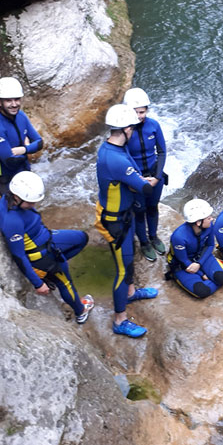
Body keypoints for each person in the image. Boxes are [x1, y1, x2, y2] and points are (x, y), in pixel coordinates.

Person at [94, 104, 158, 338]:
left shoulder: (112, 149)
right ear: (127, 129)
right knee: (123, 268)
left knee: (128, 263)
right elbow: (144, 188)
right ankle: (120, 320)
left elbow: (131, 179)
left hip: (122, 214)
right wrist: (152, 180)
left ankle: (130, 292)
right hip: (115, 221)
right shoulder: (116, 159)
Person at [0, 171, 94, 324]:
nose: (33, 205)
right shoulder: (12, 222)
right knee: (65, 281)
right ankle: (80, 311)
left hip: (45, 237)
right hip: (41, 256)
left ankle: (50, 273)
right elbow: (19, 255)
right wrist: (38, 283)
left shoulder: (9, 198)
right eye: (30, 202)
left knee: (81, 238)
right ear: (17, 197)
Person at [166, 199, 223, 298]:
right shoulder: (179, 237)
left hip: (201, 257)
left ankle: (221, 276)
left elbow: (210, 245)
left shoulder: (209, 226)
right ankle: (177, 277)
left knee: (221, 277)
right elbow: (183, 260)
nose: (212, 219)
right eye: (208, 218)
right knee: (202, 291)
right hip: (182, 265)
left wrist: (199, 263)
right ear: (198, 222)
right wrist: (202, 274)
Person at [124, 88, 167, 262]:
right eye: (136, 112)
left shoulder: (153, 125)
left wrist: (156, 178)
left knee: (152, 207)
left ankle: (154, 237)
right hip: (136, 178)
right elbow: (124, 157)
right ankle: (143, 242)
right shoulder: (124, 131)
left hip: (154, 175)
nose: (140, 116)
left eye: (142, 112)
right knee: (139, 211)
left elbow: (162, 152)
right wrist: (138, 180)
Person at [0, 77, 43, 196]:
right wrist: (29, 148)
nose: (14, 104)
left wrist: (23, 149)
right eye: (8, 101)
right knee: (13, 212)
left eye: (17, 99)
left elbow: (40, 143)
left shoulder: (21, 116)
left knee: (30, 207)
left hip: (25, 170)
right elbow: (10, 161)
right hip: (6, 179)